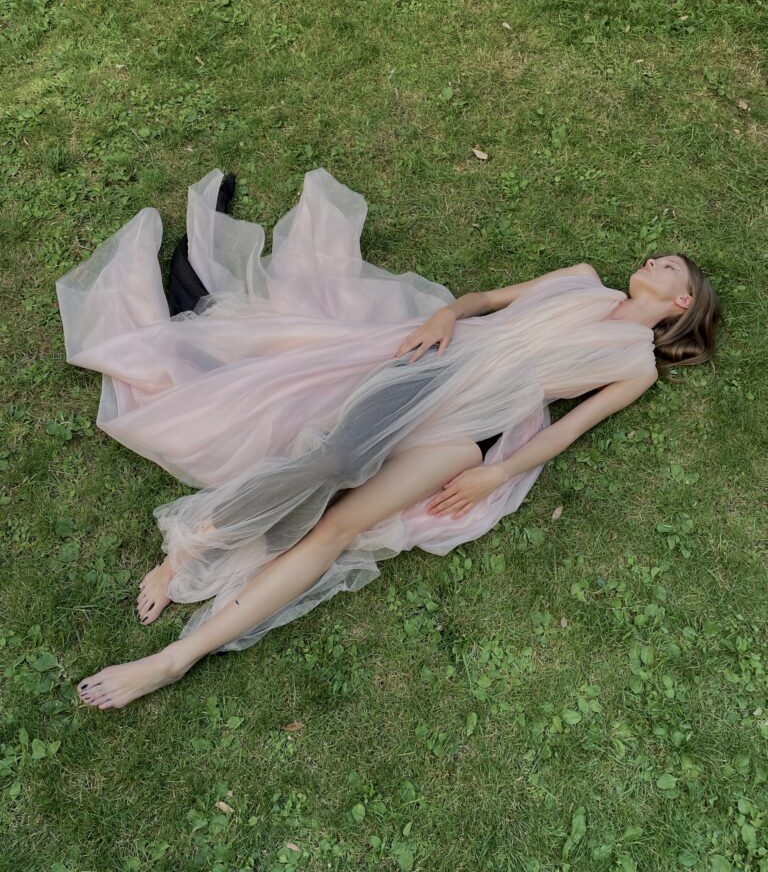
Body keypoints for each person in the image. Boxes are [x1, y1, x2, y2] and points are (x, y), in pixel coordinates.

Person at [55, 168, 721, 709]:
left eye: (670, 267)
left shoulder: (635, 366)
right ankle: (192, 550)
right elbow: (487, 300)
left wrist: (496, 472)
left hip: (477, 426)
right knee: (334, 461)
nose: (654, 260)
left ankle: (175, 659)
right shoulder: (579, 279)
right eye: (657, 257)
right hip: (435, 365)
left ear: (682, 303)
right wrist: (445, 313)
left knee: (337, 529)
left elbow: (569, 428)